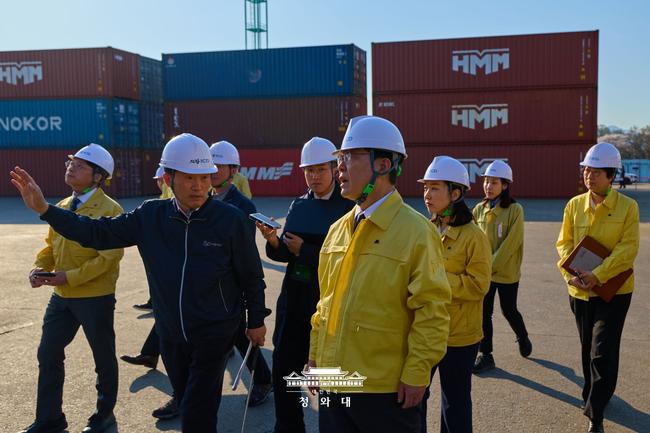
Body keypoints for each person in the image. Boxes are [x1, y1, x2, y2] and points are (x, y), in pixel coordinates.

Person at [10, 133, 269, 433]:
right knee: (186, 399)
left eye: (204, 177)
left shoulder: (231, 220)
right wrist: (46, 210)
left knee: (198, 413)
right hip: (170, 334)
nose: (198, 186)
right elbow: (97, 233)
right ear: (169, 179)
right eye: (188, 178)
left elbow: (252, 275)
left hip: (214, 332)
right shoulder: (150, 216)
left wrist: (256, 320)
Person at [307, 116, 452, 433]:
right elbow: (325, 305)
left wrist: (417, 372)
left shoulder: (417, 232)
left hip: (385, 391)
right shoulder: (337, 230)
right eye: (340, 158)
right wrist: (316, 357)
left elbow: (432, 311)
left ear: (383, 165)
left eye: (350, 157)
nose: (339, 168)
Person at [17, 144, 124, 433]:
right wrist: (39, 267)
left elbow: (109, 258)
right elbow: (51, 246)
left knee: (103, 359)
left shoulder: (111, 210)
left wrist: (69, 277)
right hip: (61, 297)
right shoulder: (62, 206)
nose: (70, 168)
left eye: (79, 165)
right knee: (48, 354)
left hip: (95, 297)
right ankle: (50, 419)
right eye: (70, 163)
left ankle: (104, 415)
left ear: (98, 176)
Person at [256, 137, 353, 433]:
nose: (314, 176)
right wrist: (273, 240)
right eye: (309, 170)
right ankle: (288, 427)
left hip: (328, 301)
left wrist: (306, 251)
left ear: (334, 169)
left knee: (327, 375)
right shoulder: (298, 204)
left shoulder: (348, 208)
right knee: (284, 367)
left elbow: (350, 259)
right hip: (294, 298)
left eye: (320, 169)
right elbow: (285, 253)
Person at [556, 142, 639, 433]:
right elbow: (564, 243)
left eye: (596, 172)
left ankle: (596, 413)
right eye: (586, 171)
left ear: (611, 175)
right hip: (580, 290)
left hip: (615, 291)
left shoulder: (628, 207)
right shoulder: (574, 205)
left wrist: (598, 275)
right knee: (586, 348)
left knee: (603, 350)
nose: (589, 176)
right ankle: (593, 392)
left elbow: (628, 249)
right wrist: (570, 274)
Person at [418, 156, 491, 433]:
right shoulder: (426, 229)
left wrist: (436, 281)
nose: (427, 194)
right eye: (426, 187)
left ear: (456, 193)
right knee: (415, 398)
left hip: (459, 335)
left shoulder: (474, 236)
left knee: (455, 404)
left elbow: (478, 285)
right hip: (425, 330)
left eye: (435, 188)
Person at [209, 140, 273, 407]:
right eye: (210, 165)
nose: (213, 171)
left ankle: (263, 380)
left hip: (231, 285)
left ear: (233, 170)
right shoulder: (204, 199)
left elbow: (244, 257)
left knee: (240, 335)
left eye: (219, 166)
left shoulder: (242, 205)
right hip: (209, 285)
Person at [120, 165, 179, 421]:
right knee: (167, 319)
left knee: (241, 334)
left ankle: (262, 379)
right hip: (174, 287)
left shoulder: (230, 209)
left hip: (216, 296)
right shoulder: (161, 204)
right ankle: (150, 355)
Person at [472, 160, 532, 373]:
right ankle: (486, 354)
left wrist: (488, 265)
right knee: (484, 313)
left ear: (505, 185)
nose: (488, 186)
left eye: (494, 182)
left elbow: (510, 244)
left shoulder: (515, 210)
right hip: (484, 274)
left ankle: (522, 336)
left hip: (506, 273)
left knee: (509, 310)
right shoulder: (479, 209)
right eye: (486, 181)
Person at [133, 167, 172, 311]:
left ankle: (157, 302)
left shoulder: (170, 191)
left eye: (159, 180)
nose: (159, 183)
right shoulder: (165, 193)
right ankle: (155, 301)